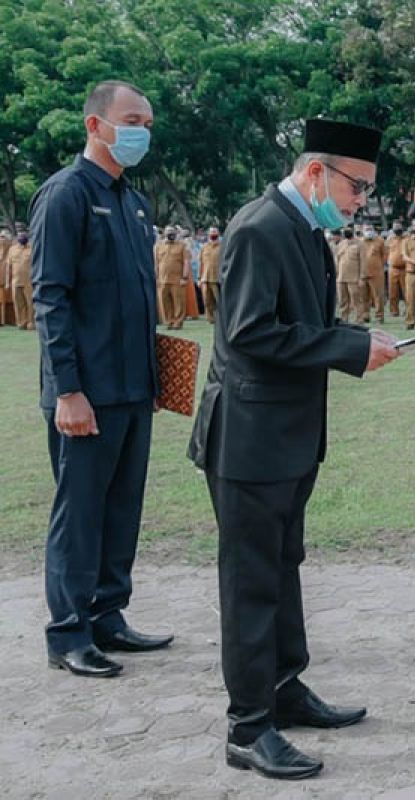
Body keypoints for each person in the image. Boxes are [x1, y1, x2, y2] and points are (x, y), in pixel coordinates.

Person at [188, 118, 401, 780]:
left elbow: (306, 324)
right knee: (251, 581)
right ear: (316, 172)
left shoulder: (304, 230)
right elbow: (251, 332)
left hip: (287, 437)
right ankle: (248, 728)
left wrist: (358, 337)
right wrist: (347, 349)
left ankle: (285, 689)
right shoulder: (259, 227)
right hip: (249, 441)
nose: (360, 201)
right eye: (357, 187)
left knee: (282, 567)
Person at [30, 80, 170, 678]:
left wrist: (159, 379)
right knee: (80, 513)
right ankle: (68, 632)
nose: (141, 129)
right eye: (131, 118)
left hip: (133, 388)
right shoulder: (65, 196)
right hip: (84, 394)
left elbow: (141, 301)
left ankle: (109, 616)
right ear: (96, 125)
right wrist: (67, 391)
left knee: (121, 510)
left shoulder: (133, 202)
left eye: (147, 121)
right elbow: (51, 298)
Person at [155, 224, 189, 329]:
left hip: (177, 279)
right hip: (162, 279)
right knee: (164, 302)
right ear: (164, 233)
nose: (171, 234)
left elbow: (186, 262)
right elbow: (156, 263)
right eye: (169, 231)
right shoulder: (158, 246)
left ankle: (178, 322)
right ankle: (169, 321)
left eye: (173, 232)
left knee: (178, 302)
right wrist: (156, 278)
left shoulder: (182, 246)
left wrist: (184, 277)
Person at [334, 226, 365, 322]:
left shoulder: (360, 244)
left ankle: (359, 320)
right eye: (344, 231)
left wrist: (361, 278)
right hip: (341, 278)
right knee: (343, 301)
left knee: (356, 300)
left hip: (354, 278)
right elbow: (337, 259)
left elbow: (363, 262)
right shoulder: (341, 244)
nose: (346, 232)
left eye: (348, 230)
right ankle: (344, 319)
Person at [5, 228, 33, 329]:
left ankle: (31, 323)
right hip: (16, 281)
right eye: (20, 234)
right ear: (17, 237)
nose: (22, 236)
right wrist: (7, 282)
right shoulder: (12, 249)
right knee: (18, 303)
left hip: (29, 281)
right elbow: (8, 267)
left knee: (30, 302)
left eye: (23, 234)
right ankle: (21, 323)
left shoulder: (32, 249)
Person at [360, 225, 386, 323]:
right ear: (362, 231)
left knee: (378, 296)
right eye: (366, 229)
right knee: (363, 296)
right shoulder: (359, 242)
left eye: (370, 229)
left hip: (376, 273)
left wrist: (378, 265)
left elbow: (384, 255)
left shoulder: (380, 241)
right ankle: (365, 315)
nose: (369, 231)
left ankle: (379, 316)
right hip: (362, 273)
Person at [199, 226, 222, 323]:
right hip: (205, 277)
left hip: (217, 278)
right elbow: (201, 263)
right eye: (211, 232)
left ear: (218, 234)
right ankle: (210, 318)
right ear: (208, 234)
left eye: (215, 232)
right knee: (206, 300)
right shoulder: (204, 247)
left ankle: (221, 318)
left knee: (218, 300)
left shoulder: (222, 246)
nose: (213, 234)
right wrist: (199, 278)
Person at [386, 220, 406, 318]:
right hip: (392, 269)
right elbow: (385, 252)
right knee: (392, 292)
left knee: (406, 291)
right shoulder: (390, 239)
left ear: (402, 227)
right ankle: (394, 311)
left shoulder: (407, 239)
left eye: (398, 226)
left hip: (405, 268)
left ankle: (408, 310)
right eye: (395, 226)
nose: (396, 228)